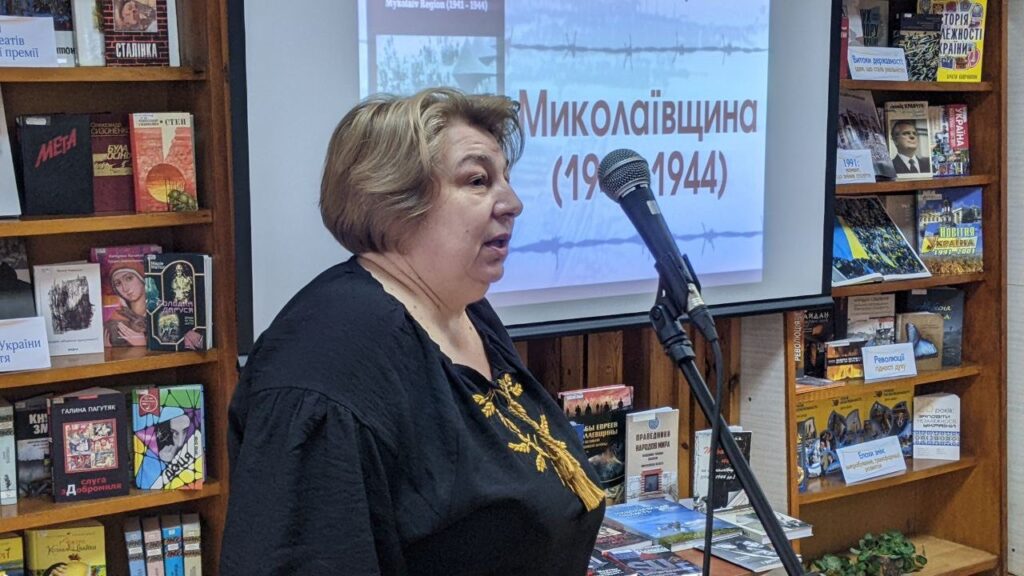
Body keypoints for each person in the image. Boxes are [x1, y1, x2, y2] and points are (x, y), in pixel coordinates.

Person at [220, 87, 605, 575]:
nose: (512, 203)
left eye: (505, 179)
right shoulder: (325, 365)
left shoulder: (466, 311)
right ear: (393, 201)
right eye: (478, 181)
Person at [104, 265, 147, 346]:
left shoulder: (158, 311)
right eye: (118, 283)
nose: (125, 288)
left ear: (141, 278)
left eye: (129, 278)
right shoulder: (116, 317)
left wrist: (142, 343)